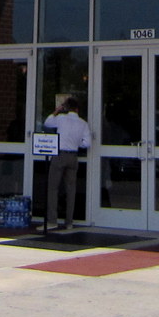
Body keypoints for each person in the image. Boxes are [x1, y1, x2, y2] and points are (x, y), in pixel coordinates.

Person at [44, 97, 91, 230]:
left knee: (53, 188)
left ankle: (52, 220)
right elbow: (87, 143)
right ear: (77, 109)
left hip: (59, 155)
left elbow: (47, 123)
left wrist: (57, 110)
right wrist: (76, 143)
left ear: (66, 108)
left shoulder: (61, 118)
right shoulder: (83, 123)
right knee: (71, 190)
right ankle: (69, 221)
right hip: (73, 156)